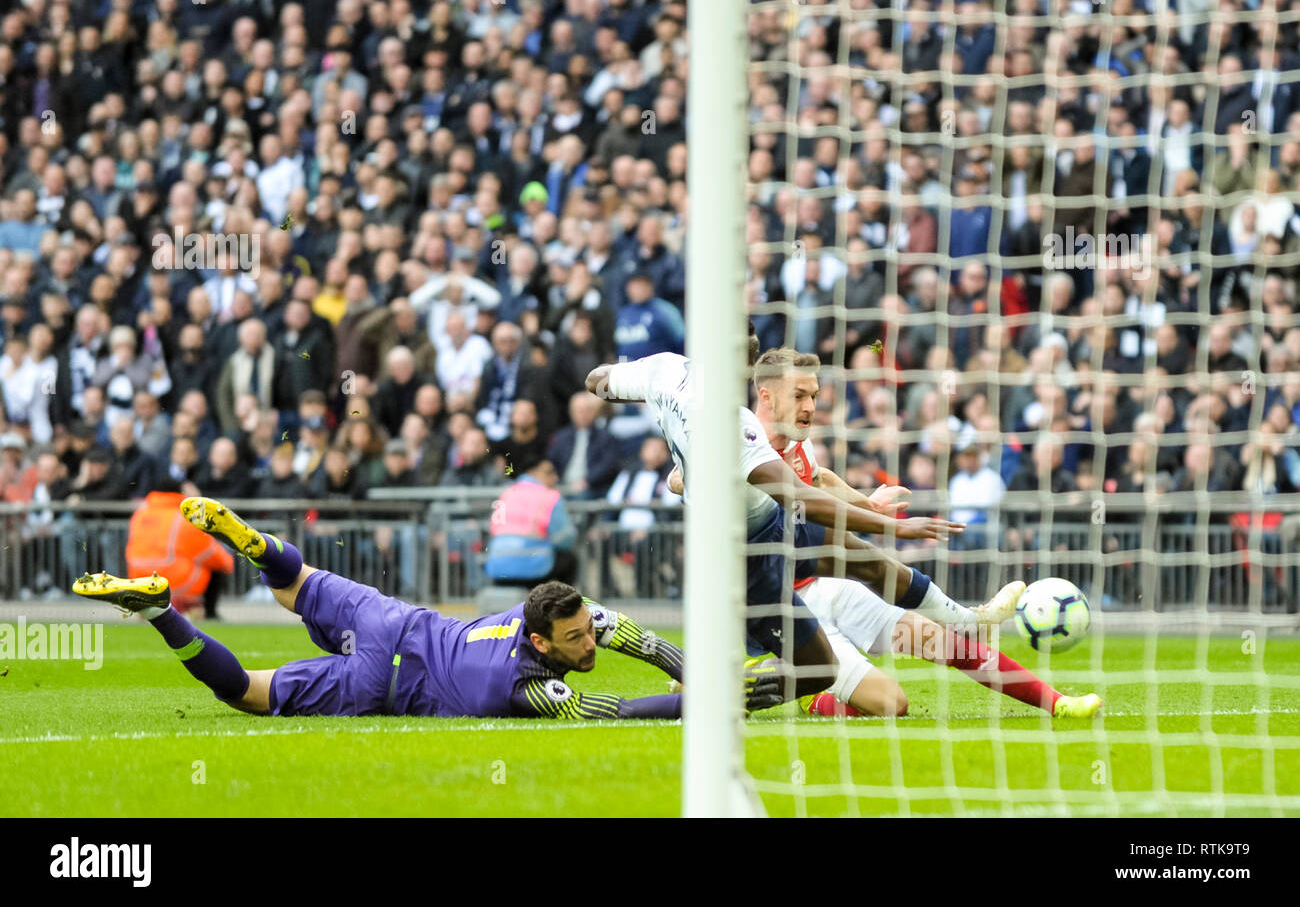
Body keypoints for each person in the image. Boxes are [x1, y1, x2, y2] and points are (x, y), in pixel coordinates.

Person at [72, 497, 778, 719]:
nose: (591, 647)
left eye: (586, 634)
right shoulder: (531, 687)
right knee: (251, 696)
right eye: (576, 641)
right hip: (387, 679)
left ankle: (255, 544)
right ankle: (164, 611)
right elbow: (619, 712)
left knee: (297, 584)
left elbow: (641, 643)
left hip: (392, 619)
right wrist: (708, 698)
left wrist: (691, 668)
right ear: (540, 639)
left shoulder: (563, 612)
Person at [738, 346, 1100, 719]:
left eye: (813, 395)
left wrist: (870, 505)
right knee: (892, 705)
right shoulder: (736, 445)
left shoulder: (798, 442)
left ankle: (1058, 703)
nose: (810, 407)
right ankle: (808, 690)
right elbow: (682, 476)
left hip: (828, 584)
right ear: (766, 396)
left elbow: (819, 478)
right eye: (799, 396)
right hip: (789, 609)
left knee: (945, 643)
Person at [123, 491, 235, 618]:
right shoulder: (184, 516)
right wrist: (228, 563)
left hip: (140, 580)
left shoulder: (140, 513)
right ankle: (209, 613)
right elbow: (208, 552)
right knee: (215, 565)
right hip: (176, 581)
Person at [484, 458, 577, 587]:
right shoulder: (550, 496)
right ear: (532, 472)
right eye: (549, 473)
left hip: (498, 566)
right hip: (536, 568)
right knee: (569, 559)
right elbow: (566, 538)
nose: (555, 478)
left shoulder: (507, 493)